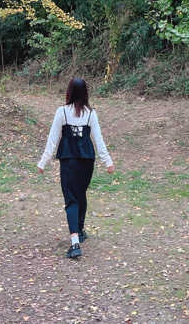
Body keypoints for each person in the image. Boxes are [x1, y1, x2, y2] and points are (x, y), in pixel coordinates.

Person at [36, 76, 114, 259]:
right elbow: (99, 140)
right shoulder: (90, 113)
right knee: (80, 195)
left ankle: (75, 243)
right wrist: (107, 161)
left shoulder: (62, 112)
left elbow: (53, 139)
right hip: (87, 162)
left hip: (69, 161)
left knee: (71, 199)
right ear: (86, 93)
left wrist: (43, 161)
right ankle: (79, 230)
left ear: (69, 92)